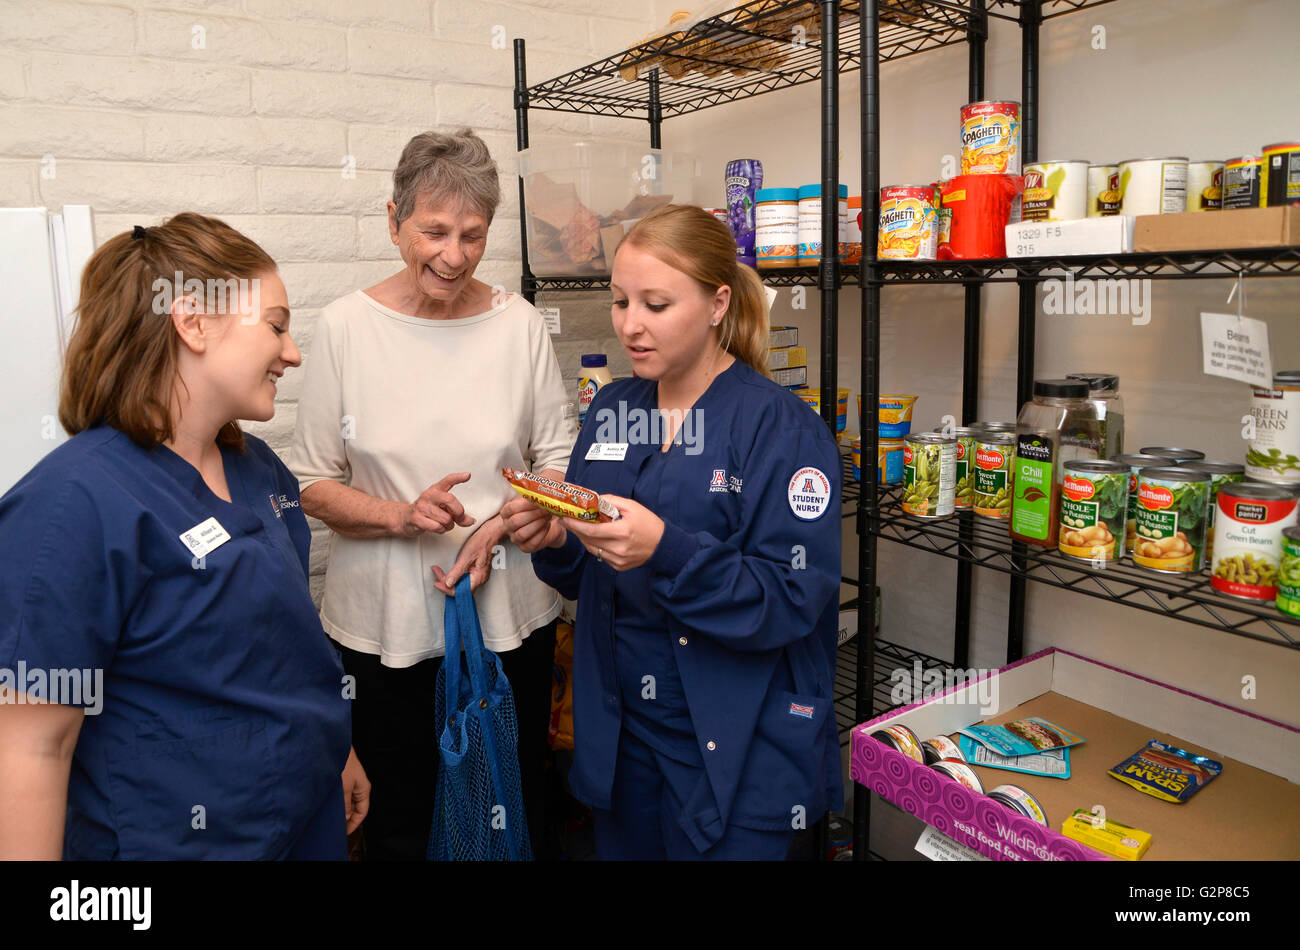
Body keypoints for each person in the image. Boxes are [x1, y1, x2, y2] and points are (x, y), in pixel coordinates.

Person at [0, 214, 366, 860]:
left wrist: (334, 749)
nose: (293, 352)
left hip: (302, 822)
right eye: (276, 326)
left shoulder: (260, 472)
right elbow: (31, 745)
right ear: (192, 322)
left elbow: (284, 641)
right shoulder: (73, 505)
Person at [502, 204, 843, 861]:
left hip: (737, 746)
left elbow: (792, 600)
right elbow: (587, 567)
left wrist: (666, 550)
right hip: (625, 737)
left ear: (718, 304)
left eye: (656, 304)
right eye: (621, 301)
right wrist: (555, 540)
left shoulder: (778, 428)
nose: (632, 324)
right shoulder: (613, 409)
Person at [289, 129, 575, 860]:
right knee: (400, 825)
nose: (453, 255)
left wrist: (514, 518)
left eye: (473, 236)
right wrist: (399, 514)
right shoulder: (349, 327)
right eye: (434, 231)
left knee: (511, 812)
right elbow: (312, 484)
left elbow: (559, 459)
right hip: (383, 631)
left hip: (508, 620)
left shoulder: (516, 324)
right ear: (394, 221)